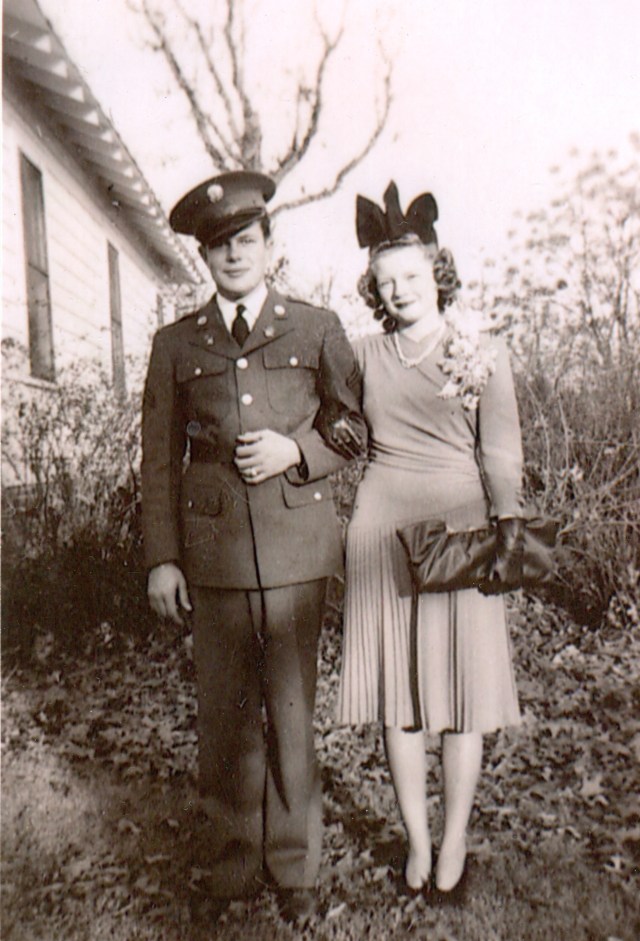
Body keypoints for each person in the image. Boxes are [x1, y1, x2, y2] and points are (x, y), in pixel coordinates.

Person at [141, 171, 365, 923]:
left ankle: (296, 866)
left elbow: (352, 429)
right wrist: (163, 557)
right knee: (226, 716)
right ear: (204, 258)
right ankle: (232, 863)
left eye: (245, 240)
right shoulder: (175, 344)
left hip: (298, 550)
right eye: (218, 246)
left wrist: (296, 451)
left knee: (293, 711)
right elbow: (157, 457)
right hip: (213, 557)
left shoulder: (317, 326)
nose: (233, 255)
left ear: (270, 246)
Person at [337, 182, 524, 902]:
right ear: (375, 291)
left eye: (412, 275)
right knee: (400, 696)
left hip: (457, 527)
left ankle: (454, 842)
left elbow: (502, 451)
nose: (400, 290)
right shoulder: (360, 354)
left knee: (461, 691)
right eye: (386, 282)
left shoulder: (480, 351)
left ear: (438, 273)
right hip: (381, 529)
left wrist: (507, 526)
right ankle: (416, 837)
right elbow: (336, 431)